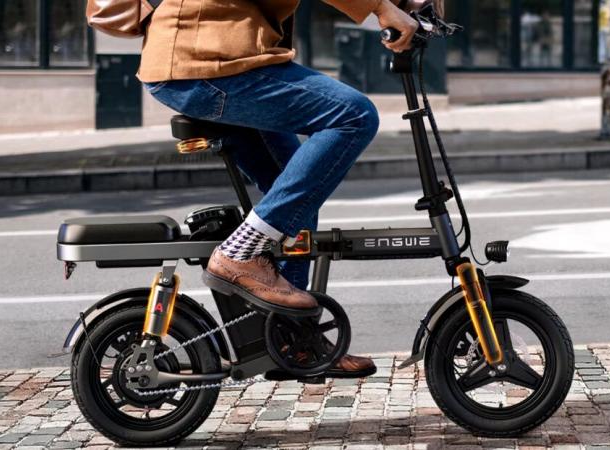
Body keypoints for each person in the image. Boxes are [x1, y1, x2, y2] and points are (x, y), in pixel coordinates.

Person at [141, 0, 440, 378]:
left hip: (218, 58)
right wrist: (381, 8)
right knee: (354, 115)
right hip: (207, 63)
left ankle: (293, 341)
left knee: (299, 191)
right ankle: (239, 253)